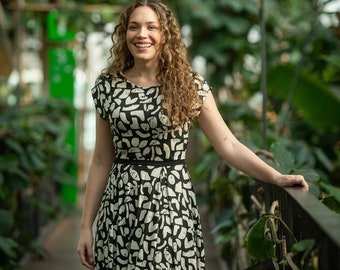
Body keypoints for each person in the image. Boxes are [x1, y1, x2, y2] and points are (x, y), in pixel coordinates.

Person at [77, 0, 309, 269]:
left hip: (171, 207)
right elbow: (102, 160)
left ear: (165, 34)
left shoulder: (189, 84)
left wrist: (276, 177)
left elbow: (228, 144)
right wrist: (85, 226)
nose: (142, 34)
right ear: (124, 33)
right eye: (134, 27)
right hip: (119, 211)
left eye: (151, 27)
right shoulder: (108, 86)